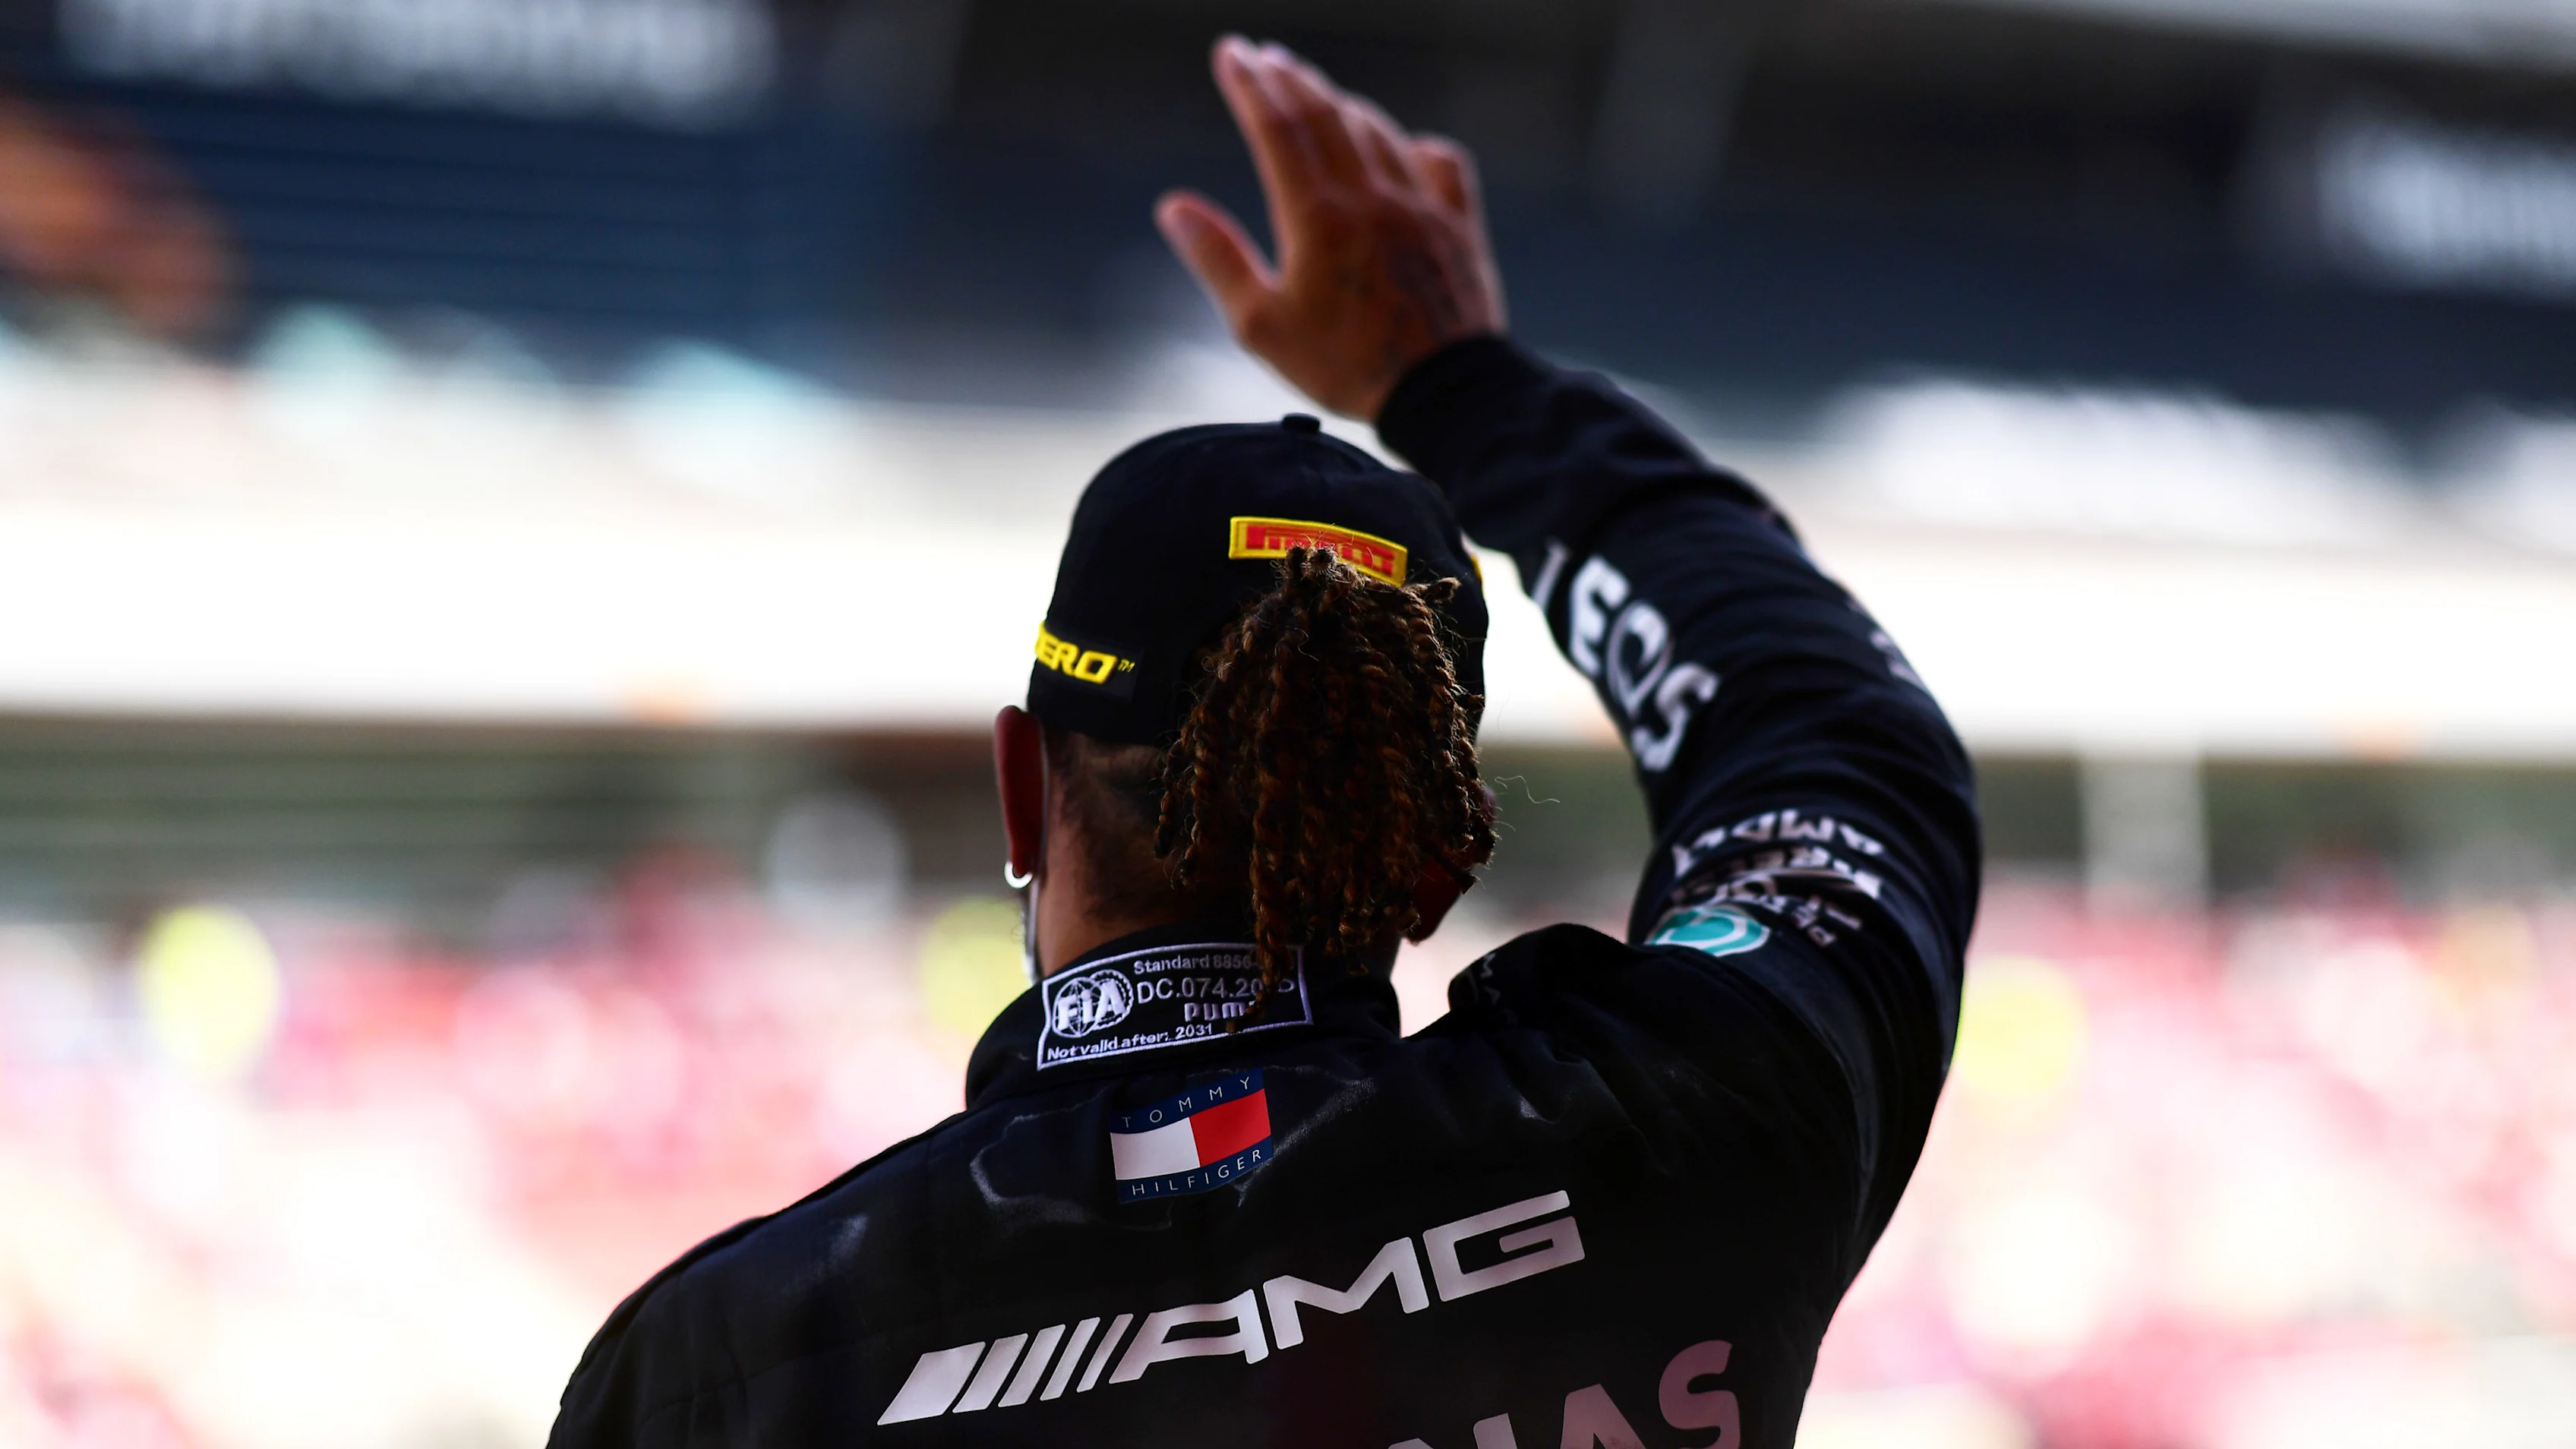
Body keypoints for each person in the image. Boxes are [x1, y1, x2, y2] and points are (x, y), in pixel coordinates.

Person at [548, 35, 1978, 1449]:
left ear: (1017, 788)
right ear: (1434, 863)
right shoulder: (1698, 1129)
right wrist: (1467, 387)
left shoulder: (717, 1374)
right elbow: (1837, 738)